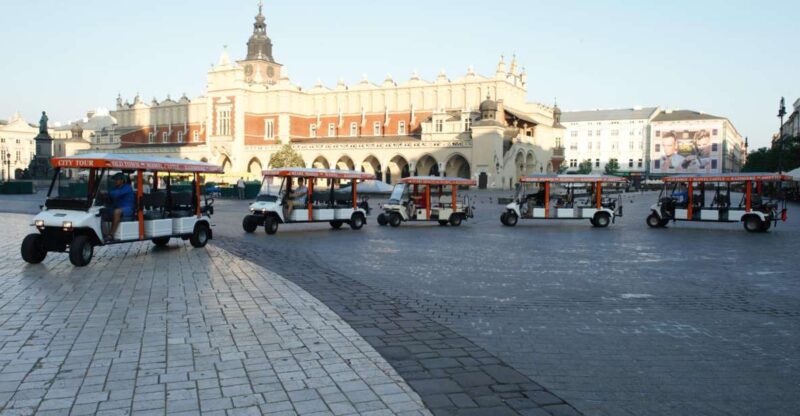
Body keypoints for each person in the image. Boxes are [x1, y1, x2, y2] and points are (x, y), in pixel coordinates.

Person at [103, 173, 135, 242]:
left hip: (128, 209)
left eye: (117, 180)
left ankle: (111, 235)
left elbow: (115, 194)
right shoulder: (116, 188)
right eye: (115, 180)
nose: (115, 181)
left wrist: (106, 193)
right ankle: (104, 233)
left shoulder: (127, 187)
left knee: (116, 212)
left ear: (122, 180)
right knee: (102, 211)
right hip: (118, 207)